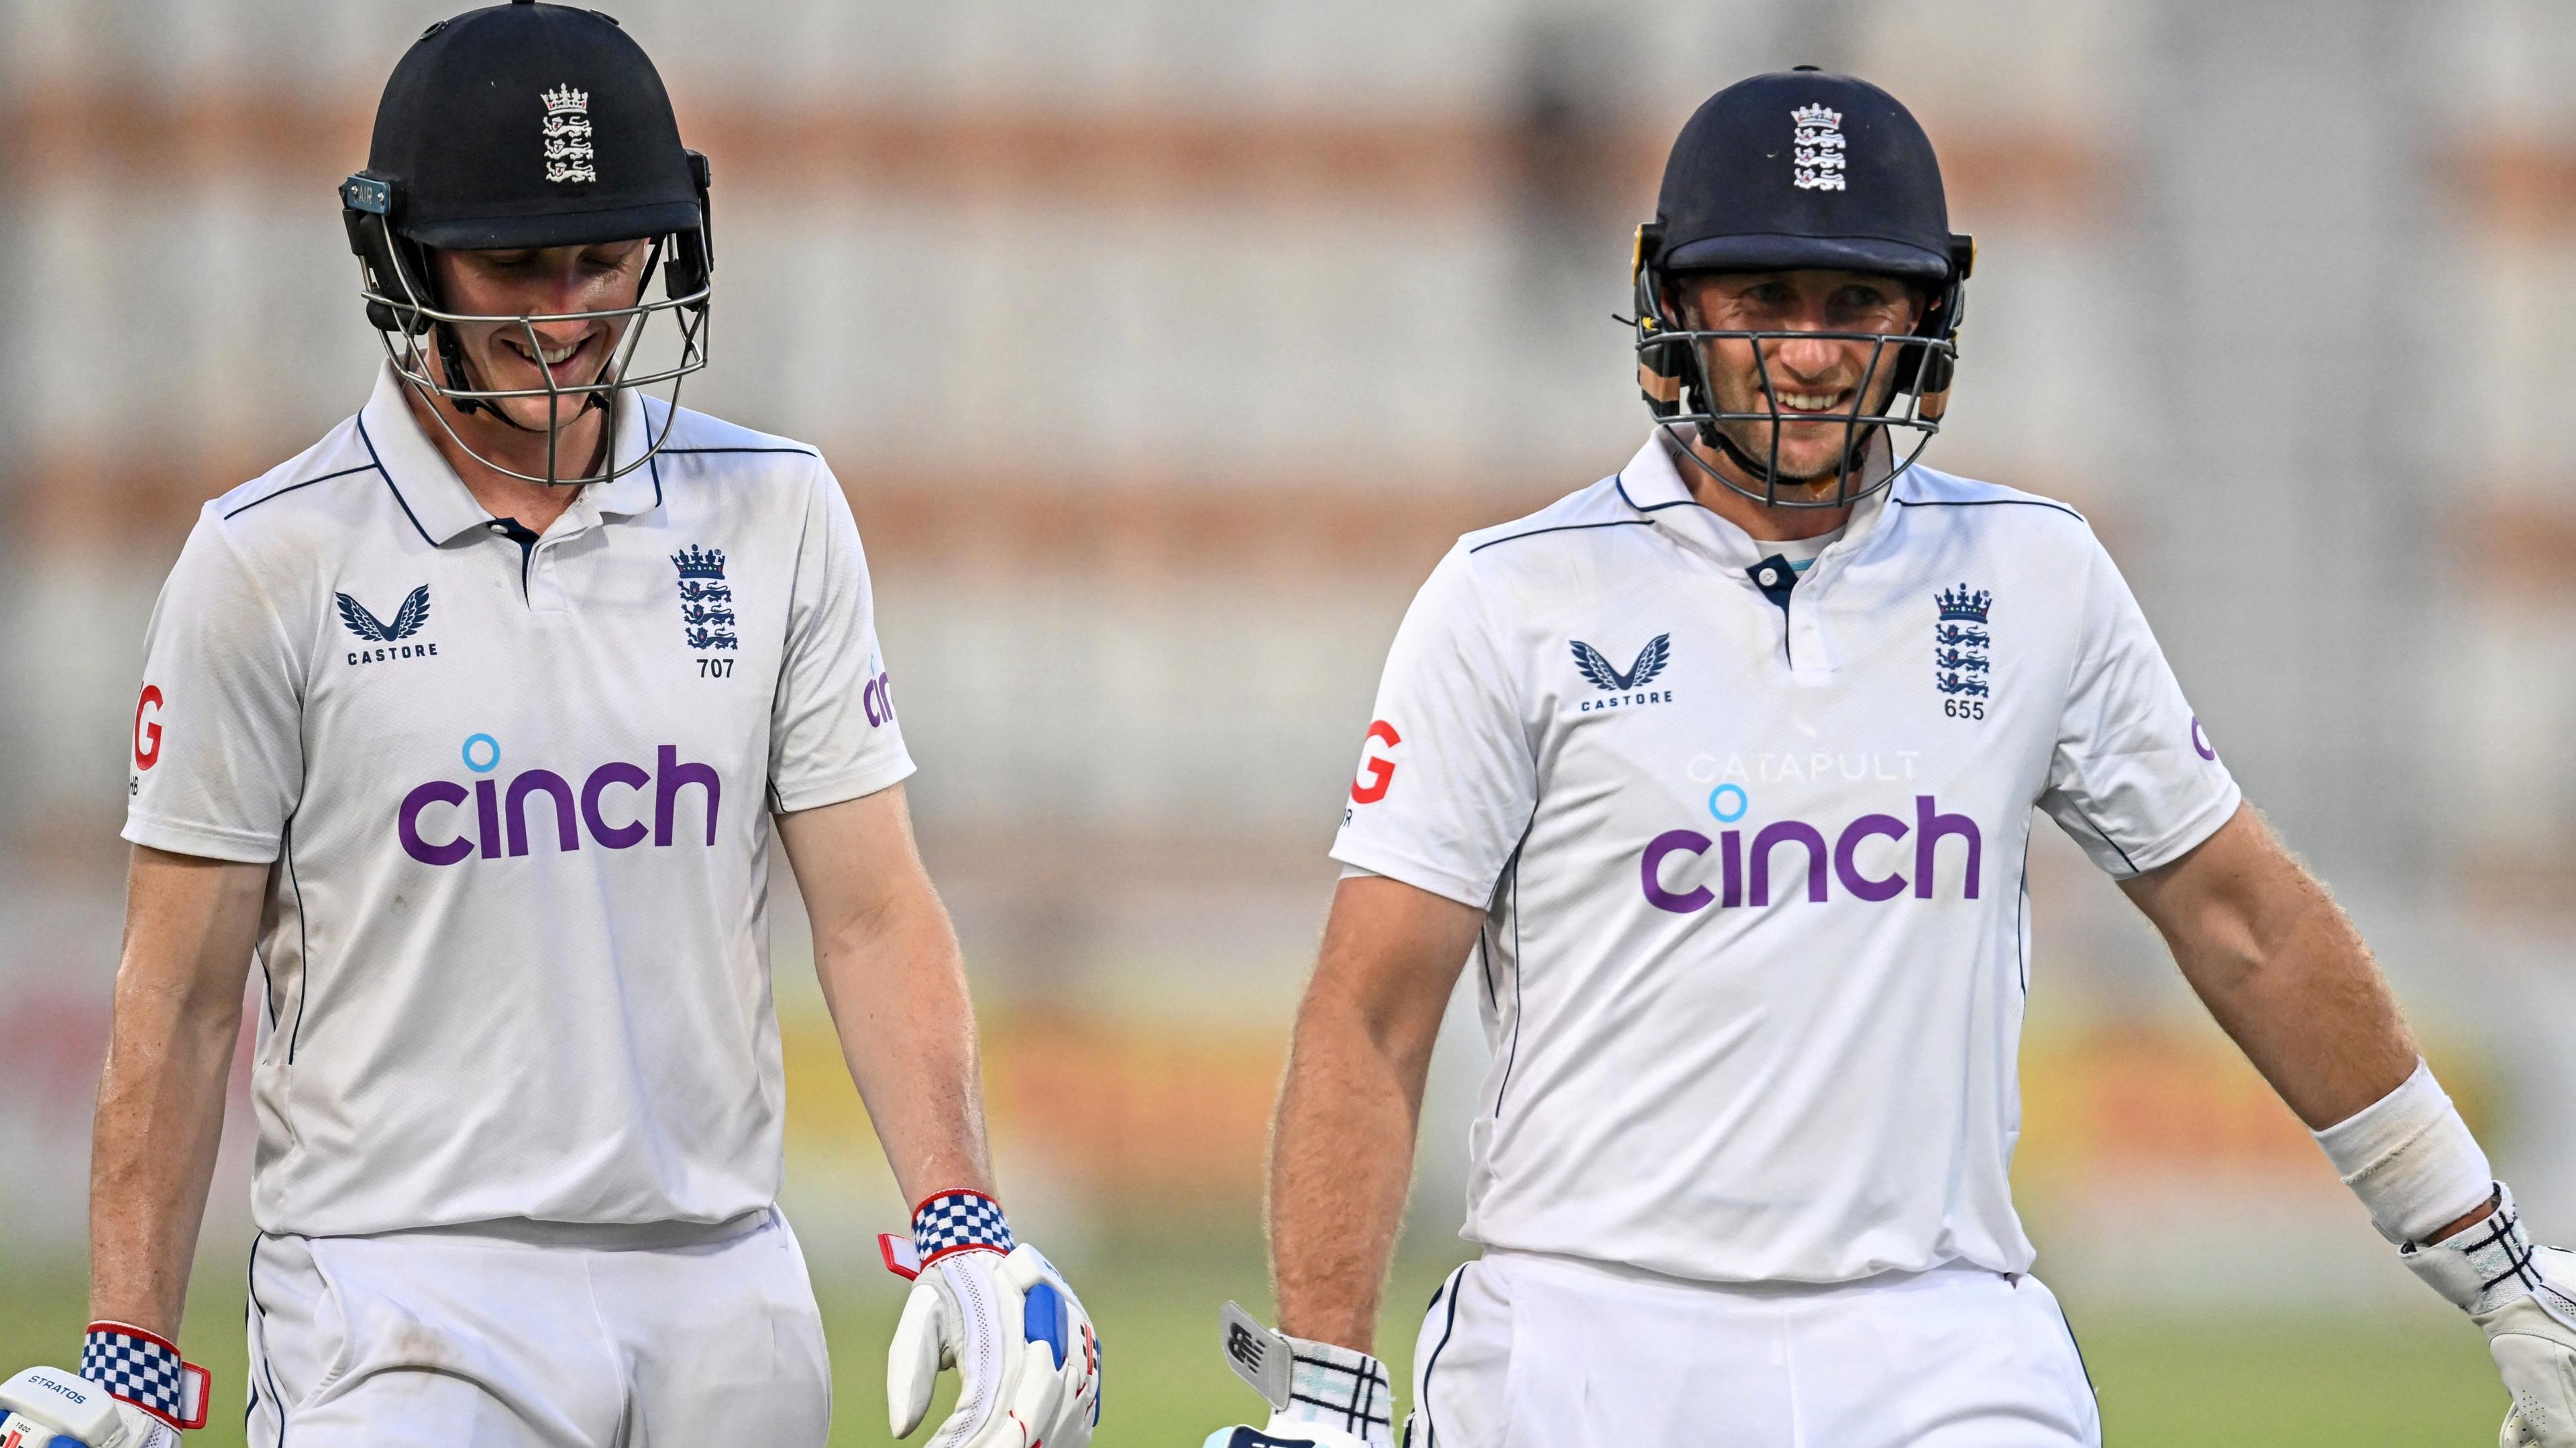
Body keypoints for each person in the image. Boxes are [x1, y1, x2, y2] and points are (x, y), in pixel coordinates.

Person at [1205, 68, 2576, 1448]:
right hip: (1582, 1334)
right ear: (1674, 306)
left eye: (1855, 305)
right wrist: (1325, 1390)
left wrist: (2498, 1271)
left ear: (1925, 318)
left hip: (1940, 1340)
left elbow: (2246, 924)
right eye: (1762, 300)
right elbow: (1373, 1012)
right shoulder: (1509, 599)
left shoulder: (2038, 575)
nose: (1809, 352)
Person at [0, 7, 1099, 1448]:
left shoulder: (778, 513)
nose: (569, 309)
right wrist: (132, 1354)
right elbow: (183, 992)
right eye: (514, 261)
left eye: (604, 255)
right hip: (400, 1299)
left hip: (723, 1285)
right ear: (398, 257)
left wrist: (962, 1219)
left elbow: (875, 910)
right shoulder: (268, 561)